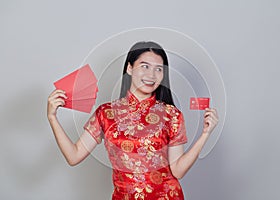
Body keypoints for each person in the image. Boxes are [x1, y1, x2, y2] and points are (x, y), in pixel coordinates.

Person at [47, 41, 219, 200]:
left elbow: (178, 171)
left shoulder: (171, 115)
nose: (151, 75)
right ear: (129, 68)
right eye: (145, 66)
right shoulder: (106, 113)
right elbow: (74, 156)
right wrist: (53, 118)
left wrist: (205, 134)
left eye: (159, 69)